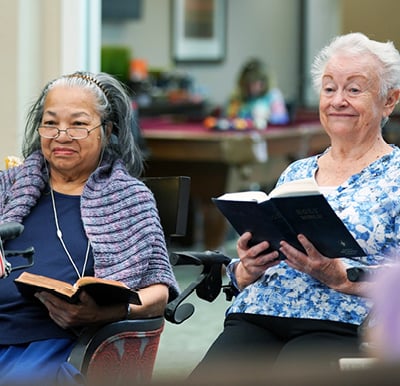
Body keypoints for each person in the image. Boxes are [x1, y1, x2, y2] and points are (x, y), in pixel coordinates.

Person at [189, 32, 400, 380]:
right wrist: (247, 268)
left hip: (341, 322)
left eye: (354, 89)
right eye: (329, 88)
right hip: (259, 313)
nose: (338, 101)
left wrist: (340, 277)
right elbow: (252, 268)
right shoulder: (297, 171)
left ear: (389, 101)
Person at [0, 71, 179, 385]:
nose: (62, 135)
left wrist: (106, 314)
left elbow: (159, 292)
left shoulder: (129, 199)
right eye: (51, 123)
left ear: (107, 129)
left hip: (56, 342)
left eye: (79, 124)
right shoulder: (8, 186)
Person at [226, 58, 290, 128]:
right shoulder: (237, 96)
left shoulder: (273, 95)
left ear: (264, 82)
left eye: (255, 83)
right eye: (248, 83)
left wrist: (268, 116)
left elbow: (283, 119)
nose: (251, 87)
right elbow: (230, 118)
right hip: (241, 136)